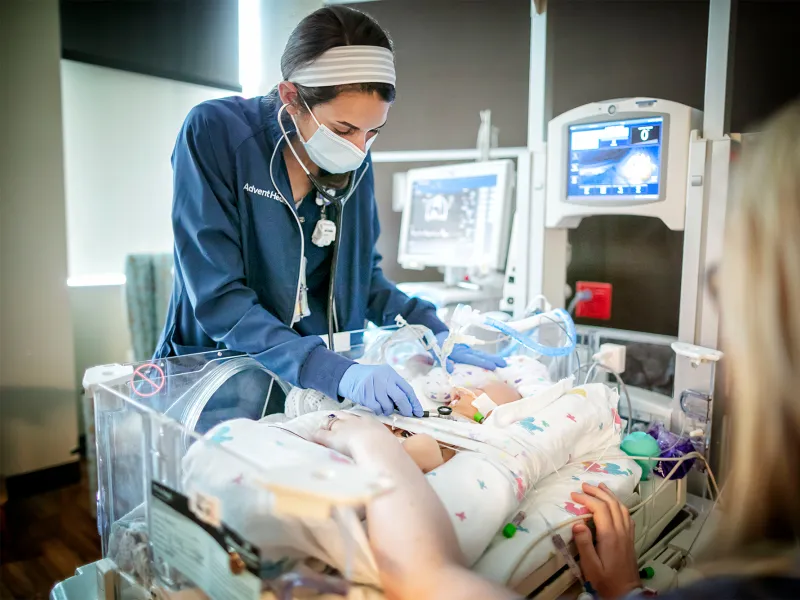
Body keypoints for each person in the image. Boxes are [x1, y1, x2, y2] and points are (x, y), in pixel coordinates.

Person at [312, 99, 800, 599]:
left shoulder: (518, 416)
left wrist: (390, 439)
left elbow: (429, 566)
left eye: (727, 279)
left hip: (475, 450)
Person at [153, 6, 504, 419]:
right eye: (343, 130)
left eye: (373, 132)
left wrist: (433, 330)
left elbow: (363, 280)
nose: (358, 148)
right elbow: (219, 298)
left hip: (310, 391)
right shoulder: (217, 133)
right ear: (291, 98)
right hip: (224, 378)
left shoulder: (353, 162)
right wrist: (332, 371)